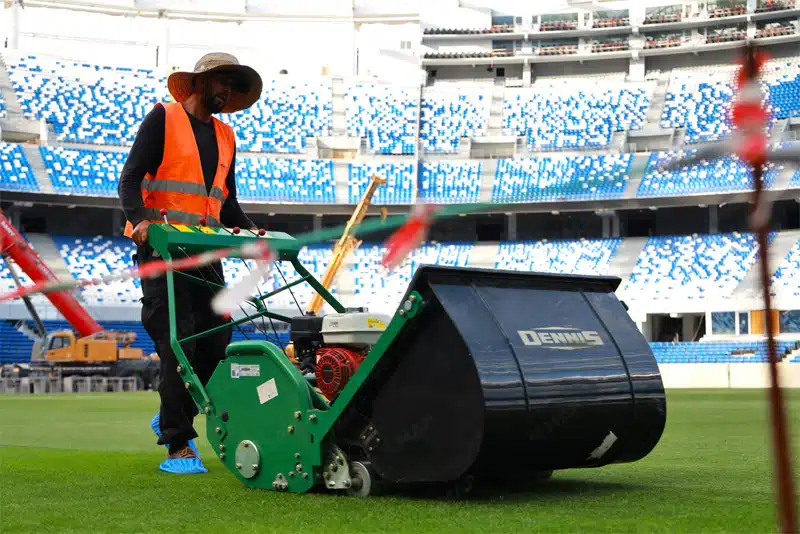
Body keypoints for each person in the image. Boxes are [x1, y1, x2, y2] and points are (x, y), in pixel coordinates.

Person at [118, 52, 262, 474]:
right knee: (178, 342)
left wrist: (252, 230)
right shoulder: (163, 118)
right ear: (201, 82)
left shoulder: (225, 136)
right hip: (162, 250)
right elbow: (130, 178)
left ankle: (171, 413)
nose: (228, 92)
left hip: (206, 253)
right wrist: (139, 219)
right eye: (224, 82)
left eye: (234, 87)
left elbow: (226, 201)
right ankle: (178, 444)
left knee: (217, 343)